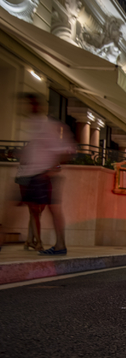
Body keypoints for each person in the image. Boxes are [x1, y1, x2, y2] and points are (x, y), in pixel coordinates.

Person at [15, 93, 75, 255]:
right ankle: (47, 243)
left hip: (42, 175)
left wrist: (50, 170)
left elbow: (65, 151)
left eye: (30, 104)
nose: (27, 107)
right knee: (39, 210)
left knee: (46, 210)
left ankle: (50, 243)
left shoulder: (47, 126)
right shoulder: (35, 125)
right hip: (35, 175)